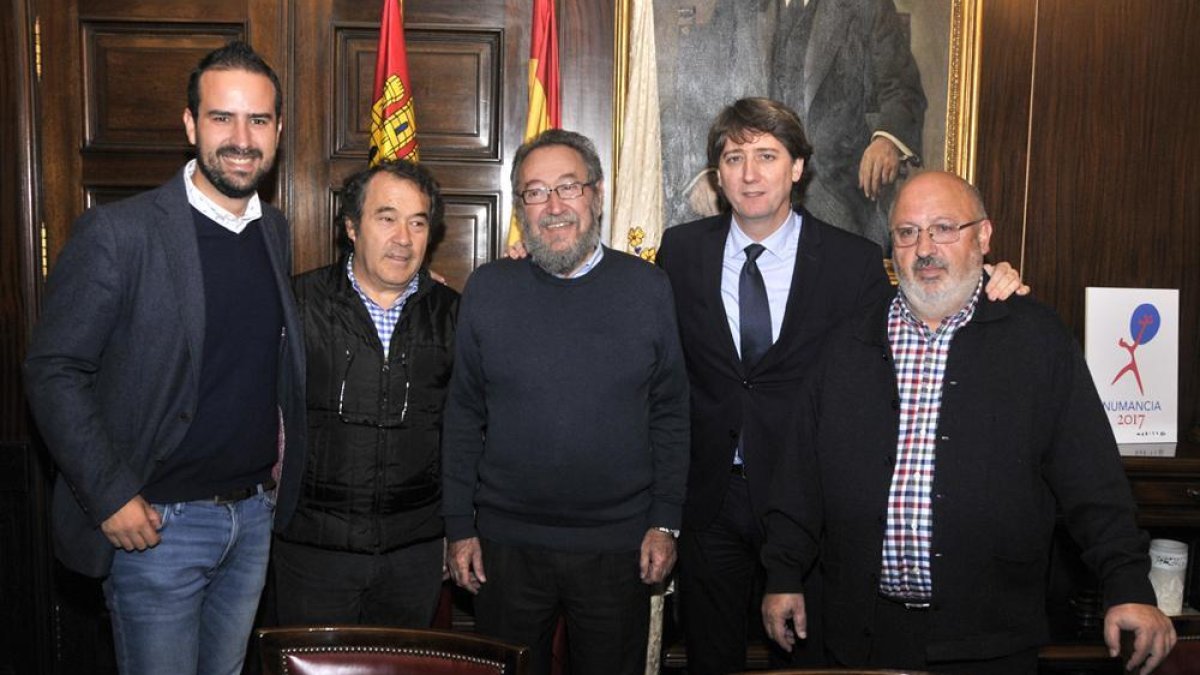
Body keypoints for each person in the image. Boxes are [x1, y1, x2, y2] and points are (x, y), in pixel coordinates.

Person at [656, 98, 1025, 675]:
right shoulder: (679, 251)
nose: (750, 173)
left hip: (813, 505)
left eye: (767, 156)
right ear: (718, 173)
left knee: (808, 660)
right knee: (710, 658)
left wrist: (991, 280)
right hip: (712, 500)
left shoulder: (854, 262)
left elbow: (919, 326)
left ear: (797, 168)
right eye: (734, 158)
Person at [761, 171, 1176, 674]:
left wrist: (1129, 585)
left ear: (983, 237)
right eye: (907, 233)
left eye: (943, 228)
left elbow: (1092, 479)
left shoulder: (1037, 340)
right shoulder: (848, 343)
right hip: (861, 638)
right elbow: (801, 475)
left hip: (990, 642)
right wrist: (783, 573)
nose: (925, 248)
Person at [23, 41, 304, 675]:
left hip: (251, 522)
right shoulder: (121, 233)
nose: (241, 138)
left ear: (278, 132)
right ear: (189, 124)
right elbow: (53, 369)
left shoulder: (273, 231)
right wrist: (110, 495)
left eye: (258, 120)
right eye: (221, 117)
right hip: (158, 527)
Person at [442, 128, 690, 675]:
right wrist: (459, 526)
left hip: (618, 548)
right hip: (505, 549)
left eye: (568, 187)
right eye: (535, 192)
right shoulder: (488, 289)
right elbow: (462, 416)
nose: (553, 206)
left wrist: (665, 521)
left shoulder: (648, 289)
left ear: (596, 196)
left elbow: (672, 413)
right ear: (520, 207)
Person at [270, 159, 457, 627]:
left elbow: (472, 429)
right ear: (352, 227)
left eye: (418, 222)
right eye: (387, 218)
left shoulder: (456, 314)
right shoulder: (295, 305)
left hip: (414, 554)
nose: (403, 238)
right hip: (313, 553)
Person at [770, 0, 927, 248]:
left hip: (839, 189)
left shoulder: (867, 6)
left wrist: (887, 140)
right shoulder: (745, 7)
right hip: (762, 188)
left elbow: (902, 89)